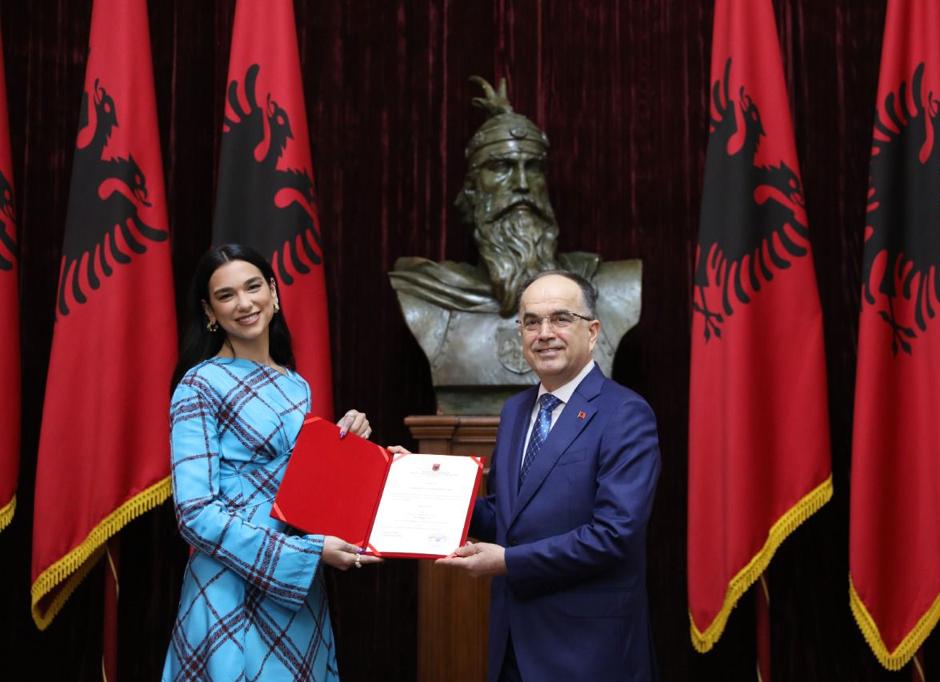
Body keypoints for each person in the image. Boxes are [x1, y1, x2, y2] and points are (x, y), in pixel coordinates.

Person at [162, 243, 381, 681]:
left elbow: (301, 493)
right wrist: (307, 553)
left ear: (274, 293)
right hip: (231, 587)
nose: (244, 303)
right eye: (226, 295)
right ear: (209, 312)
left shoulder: (296, 384)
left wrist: (350, 448)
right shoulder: (199, 385)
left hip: (298, 595)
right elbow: (195, 514)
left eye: (253, 287)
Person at [436, 270, 662, 682]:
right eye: (531, 322)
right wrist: (429, 486)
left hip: (588, 653)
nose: (544, 333)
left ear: (592, 332)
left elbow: (613, 534)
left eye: (560, 318)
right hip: (511, 647)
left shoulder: (625, 414)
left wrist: (508, 562)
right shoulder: (515, 411)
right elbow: (507, 517)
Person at [388, 77, 641, 415]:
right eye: (501, 168)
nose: (522, 184)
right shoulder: (424, 294)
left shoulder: (612, 287)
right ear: (472, 191)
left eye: (533, 168)